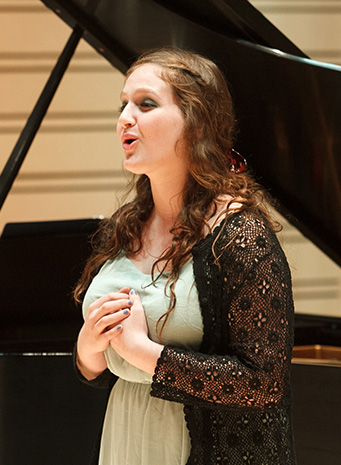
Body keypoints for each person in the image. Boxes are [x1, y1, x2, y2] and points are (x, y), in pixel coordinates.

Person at [73, 48, 296, 465]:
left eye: (146, 104)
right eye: (123, 104)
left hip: (204, 448)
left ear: (196, 124)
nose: (125, 117)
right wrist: (87, 352)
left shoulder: (241, 236)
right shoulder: (125, 225)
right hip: (126, 434)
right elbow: (100, 369)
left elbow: (263, 383)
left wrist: (142, 351)